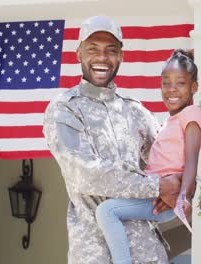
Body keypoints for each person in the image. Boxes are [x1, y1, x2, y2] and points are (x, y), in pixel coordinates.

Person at [43, 16, 181, 264]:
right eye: (92, 49)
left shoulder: (134, 111)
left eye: (111, 50)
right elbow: (84, 172)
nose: (102, 58)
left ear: (121, 57)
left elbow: (168, 157)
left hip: (148, 253)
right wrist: (157, 186)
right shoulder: (65, 109)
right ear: (79, 54)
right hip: (95, 252)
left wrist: (179, 182)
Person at [95, 49, 201, 264]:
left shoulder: (191, 116)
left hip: (167, 198)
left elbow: (192, 160)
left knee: (106, 211)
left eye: (180, 83)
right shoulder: (168, 122)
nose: (171, 89)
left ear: (194, 87)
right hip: (155, 192)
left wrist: (183, 195)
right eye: (166, 83)